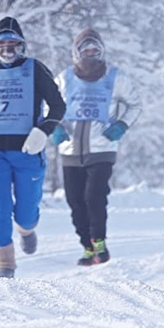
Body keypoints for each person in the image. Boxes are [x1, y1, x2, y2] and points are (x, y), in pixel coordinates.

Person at [0, 16, 66, 279]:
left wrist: (43, 131)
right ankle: (5, 265)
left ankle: (27, 230)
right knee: (0, 205)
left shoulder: (35, 69)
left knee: (26, 213)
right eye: (1, 46)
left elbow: (58, 106)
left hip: (28, 149)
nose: (7, 51)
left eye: (12, 46)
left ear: (21, 47)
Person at [50, 29, 141, 265]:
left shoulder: (115, 78)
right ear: (77, 53)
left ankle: (99, 242)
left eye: (95, 50)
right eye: (85, 50)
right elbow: (47, 105)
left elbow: (135, 105)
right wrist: (54, 126)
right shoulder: (64, 78)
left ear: (101, 52)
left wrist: (121, 125)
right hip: (70, 149)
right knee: (75, 200)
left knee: (94, 196)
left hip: (102, 147)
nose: (90, 54)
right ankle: (87, 247)